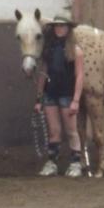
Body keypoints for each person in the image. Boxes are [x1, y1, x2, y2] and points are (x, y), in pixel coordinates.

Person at [34, 14, 84, 177]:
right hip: (50, 95)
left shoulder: (76, 51)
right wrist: (39, 98)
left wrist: (76, 100)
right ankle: (52, 163)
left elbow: (80, 76)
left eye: (62, 26)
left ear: (68, 28)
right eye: (56, 26)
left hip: (67, 95)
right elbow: (43, 74)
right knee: (54, 131)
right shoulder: (48, 50)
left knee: (71, 131)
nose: (59, 29)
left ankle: (76, 163)